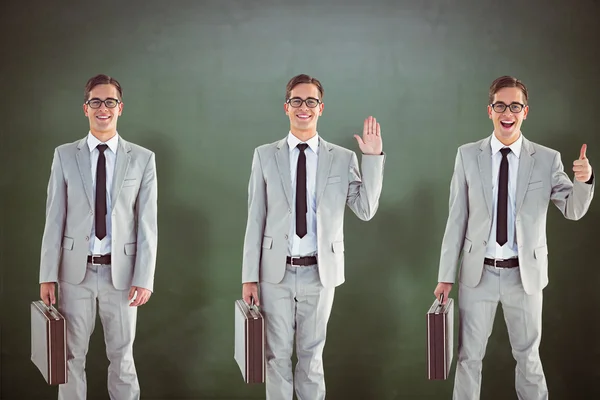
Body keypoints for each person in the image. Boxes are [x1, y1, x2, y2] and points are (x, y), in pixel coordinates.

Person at [434, 75, 594, 400]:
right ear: (489, 110)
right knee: (468, 358)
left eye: (515, 106)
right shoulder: (467, 155)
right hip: (477, 276)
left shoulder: (547, 159)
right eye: (500, 105)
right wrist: (445, 277)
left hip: (525, 277)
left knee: (528, 358)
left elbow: (573, 209)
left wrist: (586, 180)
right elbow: (456, 220)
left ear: (525, 112)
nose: (508, 112)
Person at [241, 73, 385, 399]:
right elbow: (256, 218)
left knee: (311, 358)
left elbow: (365, 209)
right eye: (296, 100)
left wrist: (372, 158)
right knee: (274, 357)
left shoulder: (342, 158)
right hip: (273, 273)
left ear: (321, 108)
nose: (303, 107)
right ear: (286, 107)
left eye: (310, 101)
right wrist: (249, 277)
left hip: (321, 274)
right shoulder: (265, 155)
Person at [38, 74, 158, 400]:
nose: (102, 108)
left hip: (122, 275)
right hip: (73, 273)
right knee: (70, 356)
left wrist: (144, 277)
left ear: (120, 108)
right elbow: (54, 219)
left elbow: (147, 223)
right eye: (95, 101)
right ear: (85, 108)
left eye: (109, 102)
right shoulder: (64, 155)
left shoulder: (143, 159)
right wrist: (48, 275)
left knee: (122, 357)